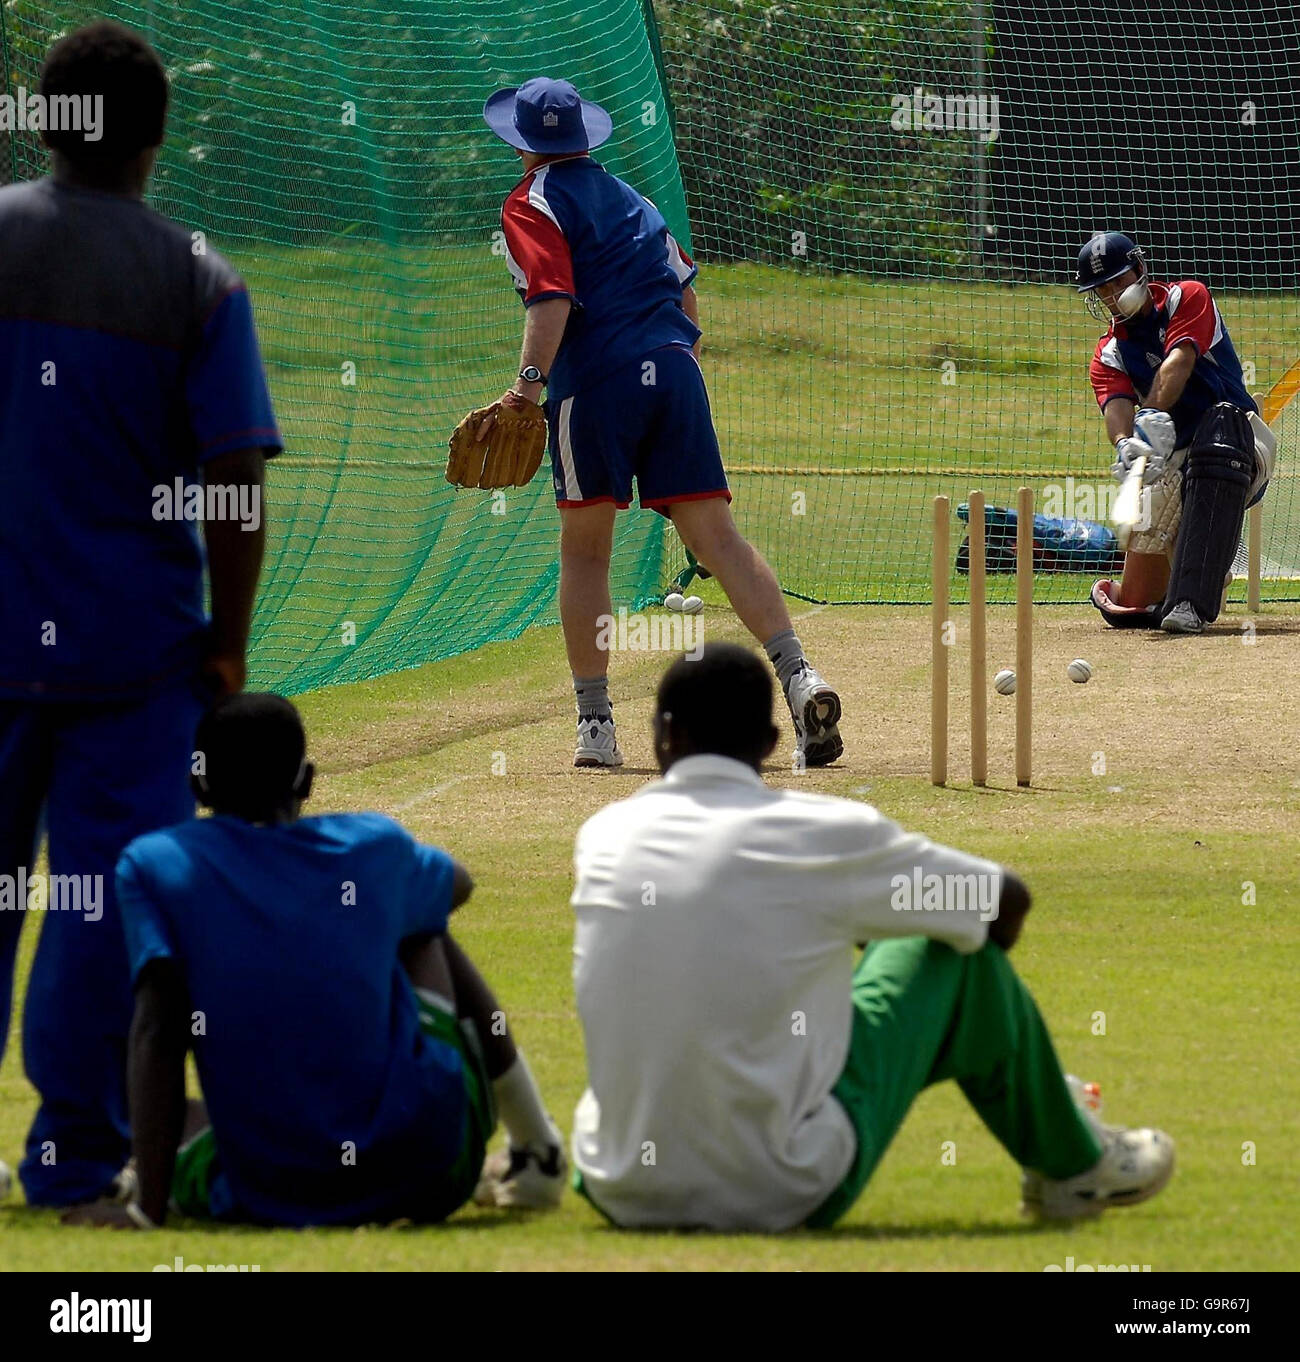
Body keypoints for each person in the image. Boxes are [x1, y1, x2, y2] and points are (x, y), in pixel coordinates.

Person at [568, 643, 1175, 1230]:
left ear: (662, 735)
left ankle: (1063, 1129)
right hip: (777, 1184)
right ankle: (1076, 1165)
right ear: (775, 745)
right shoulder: (819, 831)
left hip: (616, 1182)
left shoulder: (603, 836)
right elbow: (1003, 902)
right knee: (956, 951)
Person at [0, 22, 276, 1205]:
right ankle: (73, 1158)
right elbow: (233, 480)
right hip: (134, 655)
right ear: (159, 141)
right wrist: (228, 639)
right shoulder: (196, 278)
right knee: (103, 907)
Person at [62, 694, 566, 1229]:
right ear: (306, 780)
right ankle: (537, 1149)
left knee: (159, 1104)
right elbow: (457, 886)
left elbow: (157, 1029)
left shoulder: (156, 864)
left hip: (267, 1188)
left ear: (197, 784)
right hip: (428, 1167)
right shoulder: (371, 843)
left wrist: (148, 1212)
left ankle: (145, 1182)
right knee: (422, 927)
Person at [479, 77, 843, 768]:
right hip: (675, 370)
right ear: (584, 137)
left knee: (586, 550)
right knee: (719, 541)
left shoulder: (531, 202)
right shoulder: (635, 200)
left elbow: (550, 299)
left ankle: (595, 726)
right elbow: (684, 291)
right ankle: (801, 680)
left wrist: (525, 389)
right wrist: (679, 376)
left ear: (522, 145)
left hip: (595, 382)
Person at [1074, 231, 1276, 634]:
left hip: (1240, 442)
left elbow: (1179, 361)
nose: (1113, 296)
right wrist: (1126, 446)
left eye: (1118, 282)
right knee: (1134, 605)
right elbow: (1115, 406)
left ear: (1140, 271)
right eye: (1103, 290)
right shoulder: (1109, 352)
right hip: (1174, 456)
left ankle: (1190, 601)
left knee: (1216, 433)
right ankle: (1196, 578)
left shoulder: (1188, 297)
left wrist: (1149, 415)